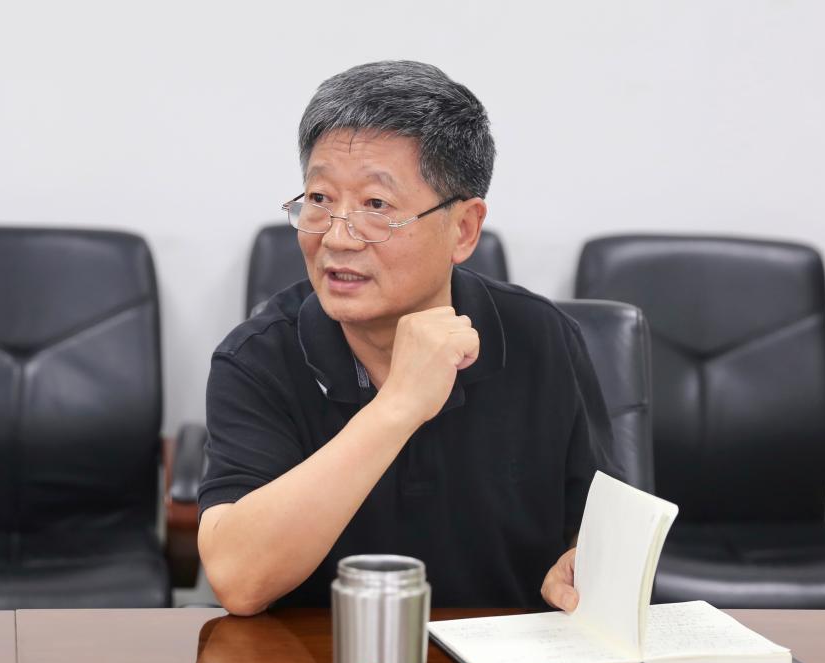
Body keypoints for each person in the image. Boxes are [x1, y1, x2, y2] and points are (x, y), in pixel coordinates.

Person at [197, 60, 619, 616]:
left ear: (463, 228)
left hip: (506, 653)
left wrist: (586, 561)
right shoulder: (258, 357)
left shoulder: (542, 338)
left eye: (376, 206)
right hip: (324, 654)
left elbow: (603, 526)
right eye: (319, 199)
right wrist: (398, 405)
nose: (337, 238)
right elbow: (237, 578)